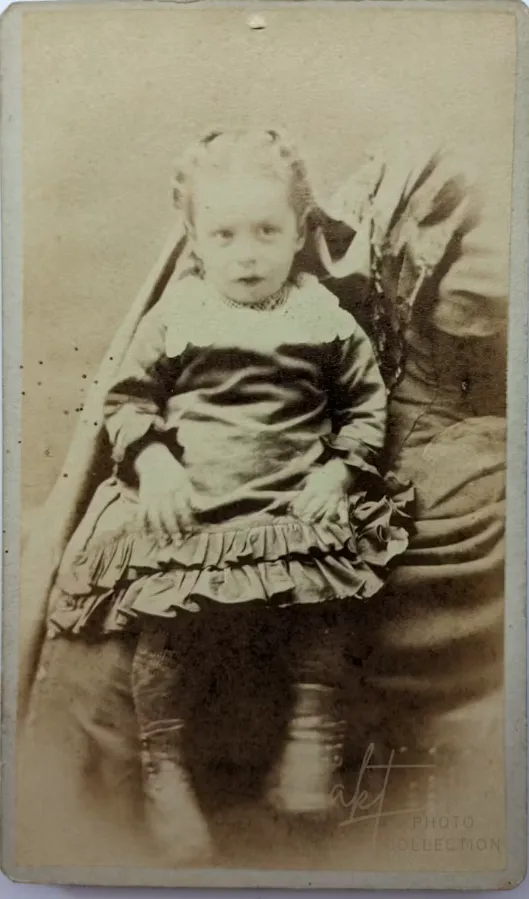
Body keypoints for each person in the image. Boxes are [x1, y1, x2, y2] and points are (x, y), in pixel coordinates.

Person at [22, 129, 413, 866]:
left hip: (288, 511)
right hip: (195, 511)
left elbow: (364, 406)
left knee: (321, 617)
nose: (247, 252)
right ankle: (163, 769)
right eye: (224, 234)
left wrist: (337, 471)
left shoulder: (324, 318)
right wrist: (156, 461)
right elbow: (128, 401)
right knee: (164, 638)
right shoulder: (178, 315)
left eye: (267, 231)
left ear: (299, 233)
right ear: (195, 241)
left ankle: (310, 729)